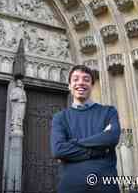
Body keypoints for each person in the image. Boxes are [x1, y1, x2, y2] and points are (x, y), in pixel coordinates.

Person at [50, 65, 121, 193]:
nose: (80, 82)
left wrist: (73, 143)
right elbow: (58, 150)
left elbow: (112, 137)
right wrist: (99, 150)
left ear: (92, 85)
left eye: (86, 79)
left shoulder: (108, 112)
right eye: (75, 79)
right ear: (69, 86)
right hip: (70, 187)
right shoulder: (60, 117)